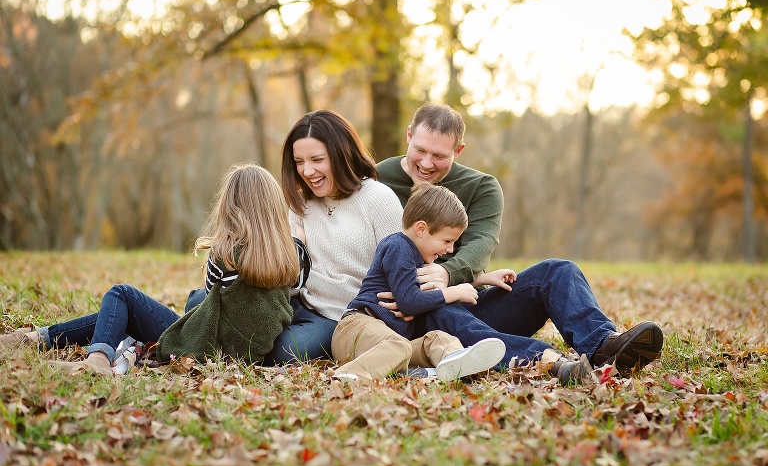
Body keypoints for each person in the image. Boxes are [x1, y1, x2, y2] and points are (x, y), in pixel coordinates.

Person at [376, 102, 664, 381]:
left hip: (466, 299)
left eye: (438, 156)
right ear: (408, 135)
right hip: (416, 313)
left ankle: (604, 346)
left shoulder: (481, 187)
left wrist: (447, 274)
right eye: (420, 151)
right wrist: (406, 294)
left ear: (458, 151)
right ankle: (545, 360)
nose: (426, 164)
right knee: (442, 309)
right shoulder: (376, 179)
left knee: (557, 271)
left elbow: (480, 245)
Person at [0, 163, 307, 375]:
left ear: (231, 205)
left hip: (200, 346)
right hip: (228, 351)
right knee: (122, 314)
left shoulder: (225, 254)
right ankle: (37, 339)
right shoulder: (290, 257)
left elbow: (211, 299)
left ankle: (96, 360)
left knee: (122, 295)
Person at [244, 109, 404, 364]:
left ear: (342, 154)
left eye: (317, 159)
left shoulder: (378, 199)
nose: (307, 171)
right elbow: (289, 277)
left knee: (284, 352)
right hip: (294, 303)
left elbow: (402, 266)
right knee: (204, 301)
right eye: (299, 162)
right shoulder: (299, 203)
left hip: (340, 317)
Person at [331, 184, 509, 382]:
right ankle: (347, 376)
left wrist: (482, 279)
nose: (450, 250)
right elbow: (410, 302)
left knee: (437, 339)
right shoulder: (398, 247)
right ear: (421, 229)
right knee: (398, 347)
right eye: (446, 241)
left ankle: (454, 364)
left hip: (387, 344)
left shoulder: (416, 255)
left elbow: (430, 285)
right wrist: (455, 293)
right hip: (356, 329)